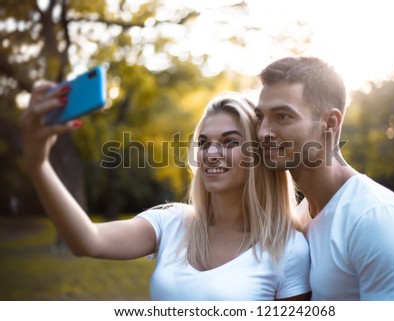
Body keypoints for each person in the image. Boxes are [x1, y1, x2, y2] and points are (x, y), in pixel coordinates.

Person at [20, 83, 311, 301]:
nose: (210, 153)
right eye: (204, 142)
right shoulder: (171, 223)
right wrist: (38, 164)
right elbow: (87, 241)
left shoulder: (288, 250)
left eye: (230, 142)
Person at [254, 56, 394, 300]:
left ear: (330, 122)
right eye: (260, 117)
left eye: (282, 116)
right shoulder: (304, 214)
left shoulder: (377, 221)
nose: (263, 132)